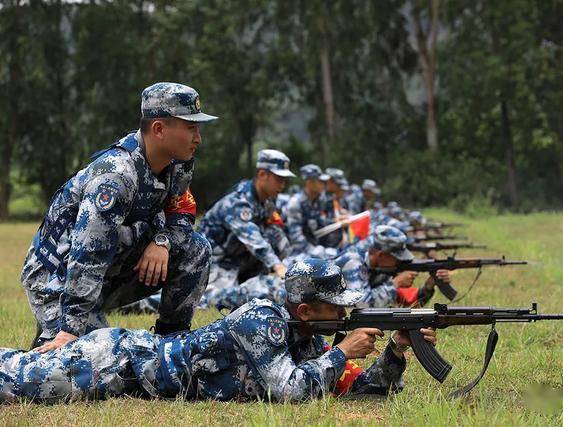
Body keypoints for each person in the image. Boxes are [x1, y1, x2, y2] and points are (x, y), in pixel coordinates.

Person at [0, 258, 437, 403]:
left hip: (128, 372)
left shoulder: (306, 337)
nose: (346, 314)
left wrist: (396, 352)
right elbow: (288, 391)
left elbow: (359, 390)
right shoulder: (261, 319)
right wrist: (342, 351)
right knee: (14, 382)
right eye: (335, 306)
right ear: (305, 309)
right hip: (118, 362)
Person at [20, 82, 215, 352]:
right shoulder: (116, 176)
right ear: (159, 129)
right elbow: (88, 251)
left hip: (111, 264)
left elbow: (181, 213)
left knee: (196, 248)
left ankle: (171, 343)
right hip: (58, 276)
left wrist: (162, 241)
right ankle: (56, 331)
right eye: (191, 128)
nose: (198, 138)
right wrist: (71, 329)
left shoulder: (178, 163)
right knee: (101, 358)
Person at [198, 149, 294, 307]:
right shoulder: (238, 201)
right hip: (218, 261)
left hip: (242, 259)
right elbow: (253, 239)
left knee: (275, 234)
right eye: (279, 179)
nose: (282, 185)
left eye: (284, 180)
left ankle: (260, 279)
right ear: (263, 175)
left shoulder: (268, 201)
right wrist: (277, 266)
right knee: (212, 300)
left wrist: (284, 264)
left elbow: (272, 231)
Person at [335, 225, 450, 307]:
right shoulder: (353, 262)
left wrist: (428, 286)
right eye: (397, 258)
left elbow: (406, 302)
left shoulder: (381, 270)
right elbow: (363, 305)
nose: (401, 262)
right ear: (381, 255)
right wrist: (395, 284)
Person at [285, 164, 340, 258]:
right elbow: (296, 237)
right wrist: (315, 251)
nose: (324, 185)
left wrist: (338, 222)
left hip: (317, 249)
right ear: (309, 183)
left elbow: (322, 226)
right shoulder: (296, 203)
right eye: (321, 182)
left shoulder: (318, 201)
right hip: (298, 253)